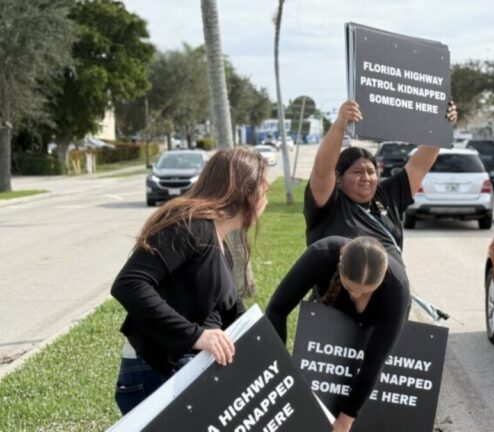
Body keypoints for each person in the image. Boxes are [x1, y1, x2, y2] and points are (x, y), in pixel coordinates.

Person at [111, 147, 270, 415]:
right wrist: (195, 335)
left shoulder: (218, 240)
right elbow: (129, 284)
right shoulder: (189, 225)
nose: (266, 200)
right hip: (156, 369)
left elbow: (232, 312)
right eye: (264, 191)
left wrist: (269, 355)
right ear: (247, 191)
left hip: (185, 369)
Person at [265, 236, 410, 432]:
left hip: (372, 332)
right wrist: (282, 371)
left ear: (382, 278)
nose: (357, 295)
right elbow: (277, 309)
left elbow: (374, 362)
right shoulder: (320, 255)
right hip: (327, 326)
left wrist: (346, 418)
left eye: (368, 291)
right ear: (340, 267)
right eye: (350, 288)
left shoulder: (397, 287)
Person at [305, 100, 457, 263]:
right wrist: (340, 123)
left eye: (371, 172)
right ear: (339, 178)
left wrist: (442, 126)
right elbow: (322, 170)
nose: (366, 177)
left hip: (391, 288)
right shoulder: (329, 202)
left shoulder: (386, 195)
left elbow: (418, 166)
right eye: (357, 172)